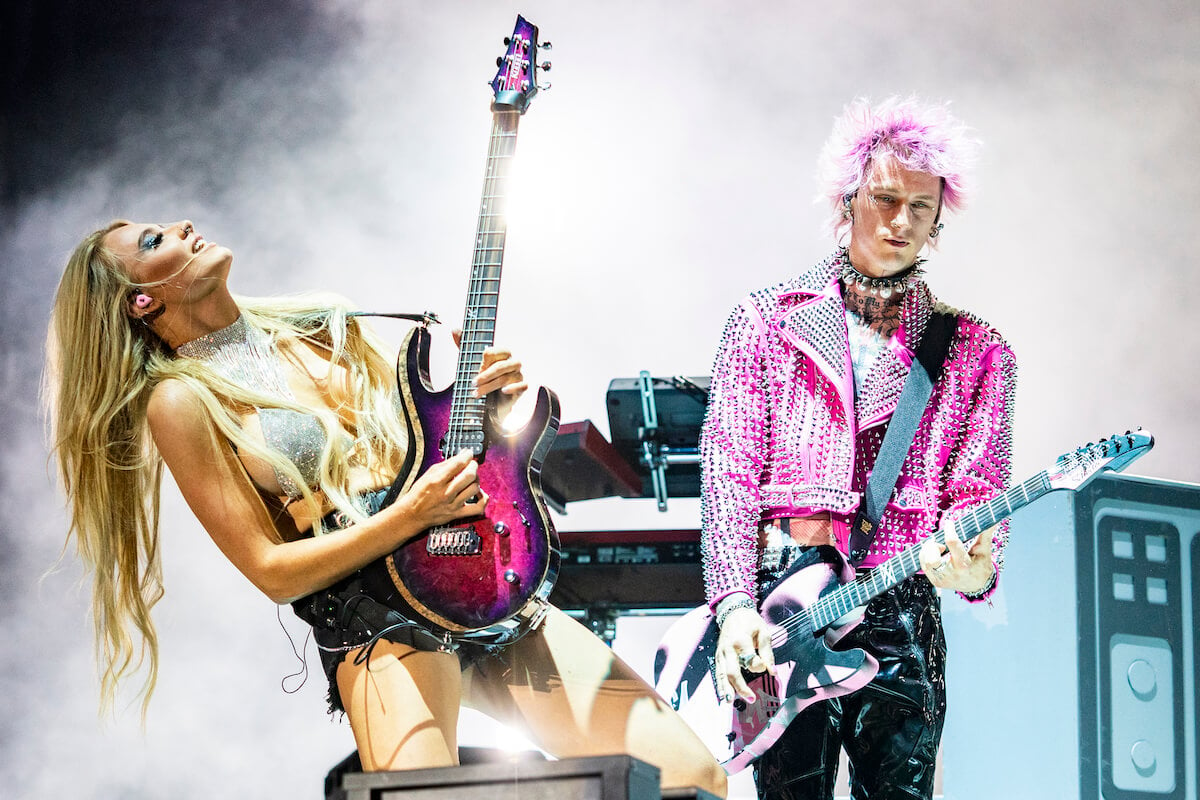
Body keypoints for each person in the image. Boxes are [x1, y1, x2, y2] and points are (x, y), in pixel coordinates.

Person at [46, 218, 727, 797]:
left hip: (475, 587)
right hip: (378, 625)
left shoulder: (325, 325)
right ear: (139, 302)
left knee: (689, 775)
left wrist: (486, 405)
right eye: (156, 239)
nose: (186, 227)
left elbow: (426, 452)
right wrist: (410, 518)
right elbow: (272, 570)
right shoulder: (183, 402)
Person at [700, 97, 1016, 799]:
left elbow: (977, 492)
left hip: (900, 601)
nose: (902, 221)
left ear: (941, 218)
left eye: (922, 207)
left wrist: (973, 563)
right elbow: (729, 478)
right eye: (885, 198)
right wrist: (731, 606)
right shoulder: (765, 322)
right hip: (783, 602)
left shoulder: (977, 352)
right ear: (847, 198)